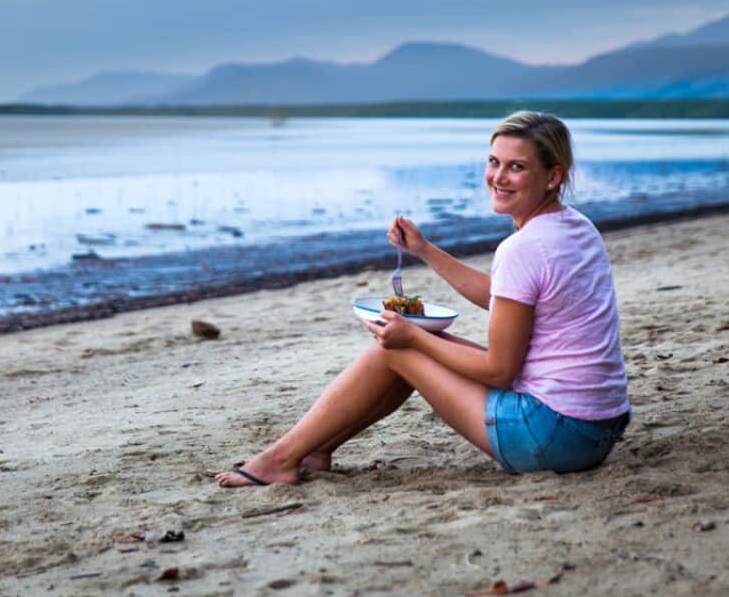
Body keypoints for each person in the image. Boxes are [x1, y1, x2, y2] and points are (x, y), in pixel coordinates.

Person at [216, 111, 630, 487]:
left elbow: (500, 370)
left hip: (553, 437)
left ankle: (280, 459)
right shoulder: (576, 228)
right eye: (494, 162)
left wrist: (412, 340)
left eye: (516, 167)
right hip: (597, 429)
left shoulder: (523, 248)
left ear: (553, 176)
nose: (498, 177)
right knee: (403, 339)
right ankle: (317, 449)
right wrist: (425, 250)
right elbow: (506, 298)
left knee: (393, 349)